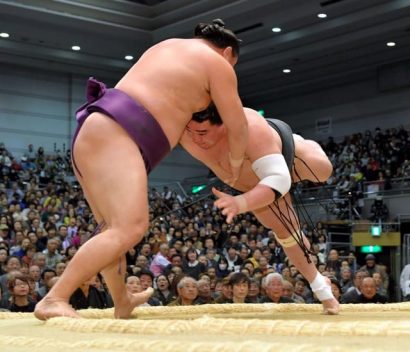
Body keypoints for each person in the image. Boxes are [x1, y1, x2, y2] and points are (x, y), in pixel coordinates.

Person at [34, 18, 248, 320]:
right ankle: (55, 297)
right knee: (130, 227)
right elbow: (237, 125)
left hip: (96, 129)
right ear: (227, 53)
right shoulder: (218, 63)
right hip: (119, 133)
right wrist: (235, 166)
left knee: (111, 230)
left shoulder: (168, 46)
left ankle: (122, 300)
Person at [180, 105, 339, 314]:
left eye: (202, 132)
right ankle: (322, 289)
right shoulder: (182, 130)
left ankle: (299, 142)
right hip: (248, 182)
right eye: (191, 132)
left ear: (223, 125)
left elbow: (279, 180)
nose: (196, 139)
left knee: (323, 170)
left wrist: (241, 203)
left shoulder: (249, 126)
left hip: (283, 157)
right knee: (285, 231)